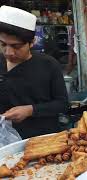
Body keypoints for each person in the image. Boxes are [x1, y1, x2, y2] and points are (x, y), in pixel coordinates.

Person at [0, 6, 68, 139]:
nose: (8, 52)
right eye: (3, 44)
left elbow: (62, 104)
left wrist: (31, 110)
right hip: (5, 139)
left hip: (42, 139)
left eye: (16, 46)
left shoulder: (48, 65)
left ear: (32, 42)